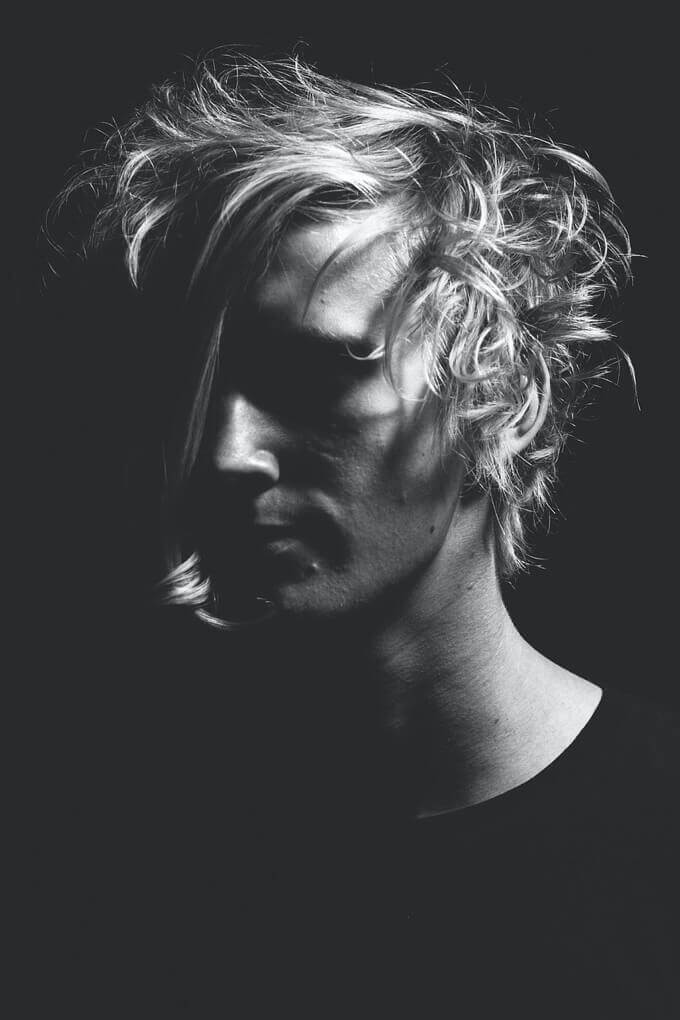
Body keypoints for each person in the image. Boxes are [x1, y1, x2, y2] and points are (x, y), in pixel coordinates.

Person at [41, 53, 678, 1017]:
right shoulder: (104, 857)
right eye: (195, 389)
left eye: (313, 378)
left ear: (502, 398)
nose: (223, 455)